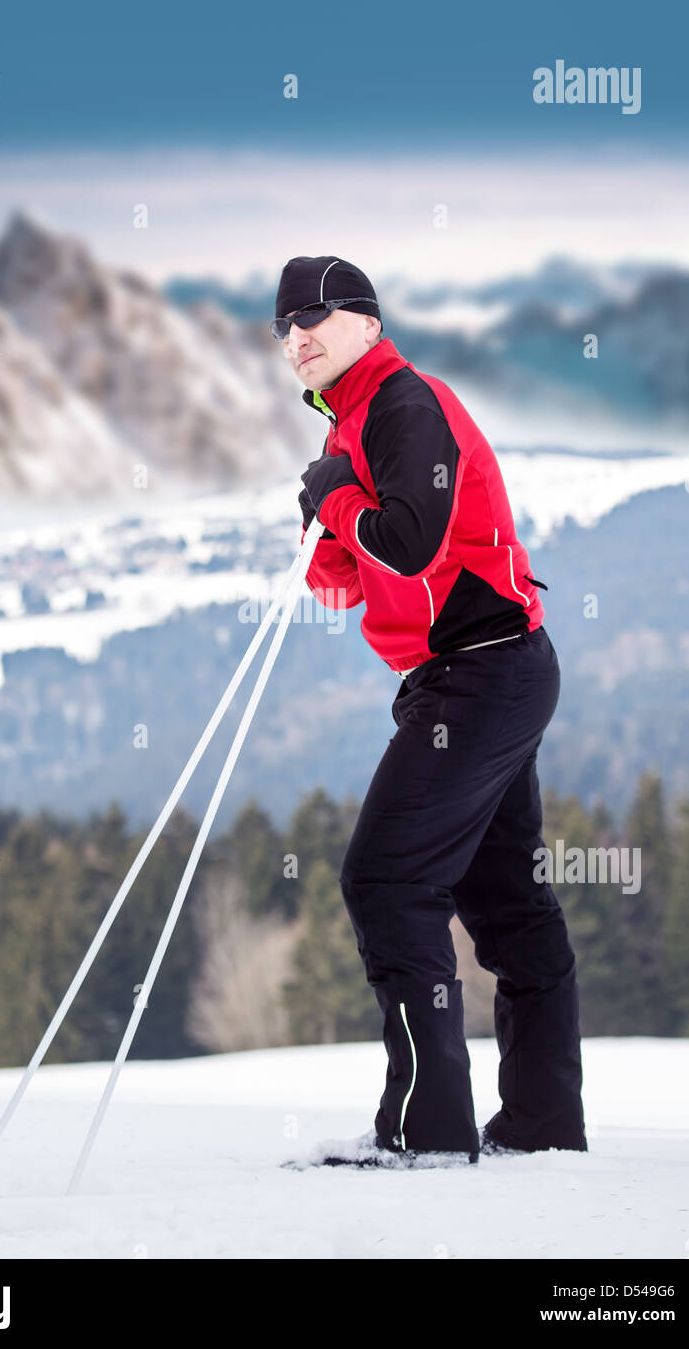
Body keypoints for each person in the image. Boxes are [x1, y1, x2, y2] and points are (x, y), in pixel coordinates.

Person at [275, 254, 587, 1165]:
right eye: (284, 325)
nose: (297, 336)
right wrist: (329, 518)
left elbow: (409, 546)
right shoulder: (354, 424)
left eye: (316, 315)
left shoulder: (405, 405)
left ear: (368, 324)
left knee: (387, 880)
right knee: (509, 903)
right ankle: (540, 1124)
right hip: (483, 673)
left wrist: (334, 497)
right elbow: (349, 588)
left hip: (482, 673)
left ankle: (427, 1131)